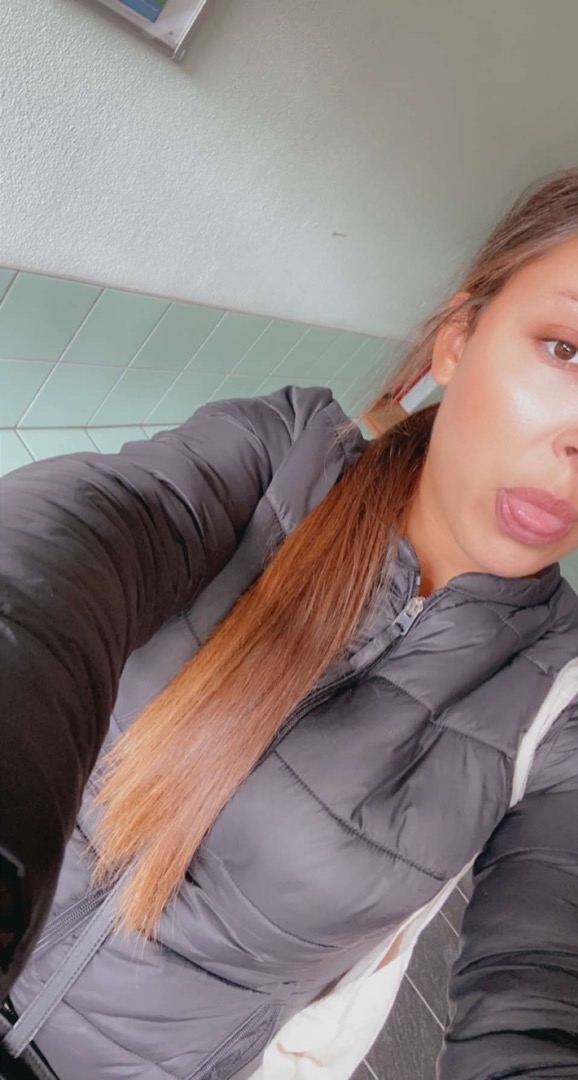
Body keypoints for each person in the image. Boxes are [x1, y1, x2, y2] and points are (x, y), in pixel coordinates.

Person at [1, 168, 578, 1080]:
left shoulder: (560, 701)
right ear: (457, 340)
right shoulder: (283, 455)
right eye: (566, 350)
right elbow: (62, 553)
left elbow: (545, 983)